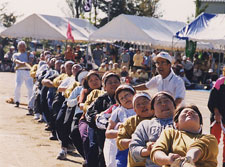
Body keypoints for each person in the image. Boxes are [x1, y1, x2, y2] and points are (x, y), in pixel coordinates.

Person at [150, 105, 218, 167]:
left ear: (200, 125)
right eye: (185, 112)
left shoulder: (210, 138)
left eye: (193, 112)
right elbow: (157, 152)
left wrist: (187, 160)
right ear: (176, 124)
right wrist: (168, 159)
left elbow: (197, 149)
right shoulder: (170, 133)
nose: (189, 113)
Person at [129, 91, 176, 167]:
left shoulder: (182, 122)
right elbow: (134, 149)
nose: (163, 104)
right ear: (153, 109)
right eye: (159, 102)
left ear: (174, 105)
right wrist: (147, 151)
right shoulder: (145, 125)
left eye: (166, 101)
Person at [117, 92, 154, 167]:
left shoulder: (161, 118)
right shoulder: (130, 122)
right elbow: (119, 141)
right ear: (135, 110)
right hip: (137, 163)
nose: (142, 106)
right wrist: (135, 142)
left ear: (152, 104)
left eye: (145, 102)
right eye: (138, 104)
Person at [104, 84, 136, 167]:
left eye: (127, 95)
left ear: (134, 95)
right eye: (121, 98)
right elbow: (108, 133)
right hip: (120, 147)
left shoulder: (142, 108)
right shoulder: (118, 112)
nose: (125, 99)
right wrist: (124, 133)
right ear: (119, 102)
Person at [208, 76, 225, 166]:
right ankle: (210, 161)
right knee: (214, 141)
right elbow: (212, 100)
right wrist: (216, 113)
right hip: (217, 117)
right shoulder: (220, 82)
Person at [12, 41, 34, 109]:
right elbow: (15, 60)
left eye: (23, 46)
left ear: (25, 47)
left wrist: (25, 63)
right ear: (18, 47)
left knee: (30, 88)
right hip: (19, 71)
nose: (22, 47)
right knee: (17, 86)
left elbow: (30, 62)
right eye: (20, 46)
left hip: (28, 72)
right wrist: (22, 63)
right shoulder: (15, 54)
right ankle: (17, 101)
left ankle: (30, 103)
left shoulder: (29, 54)